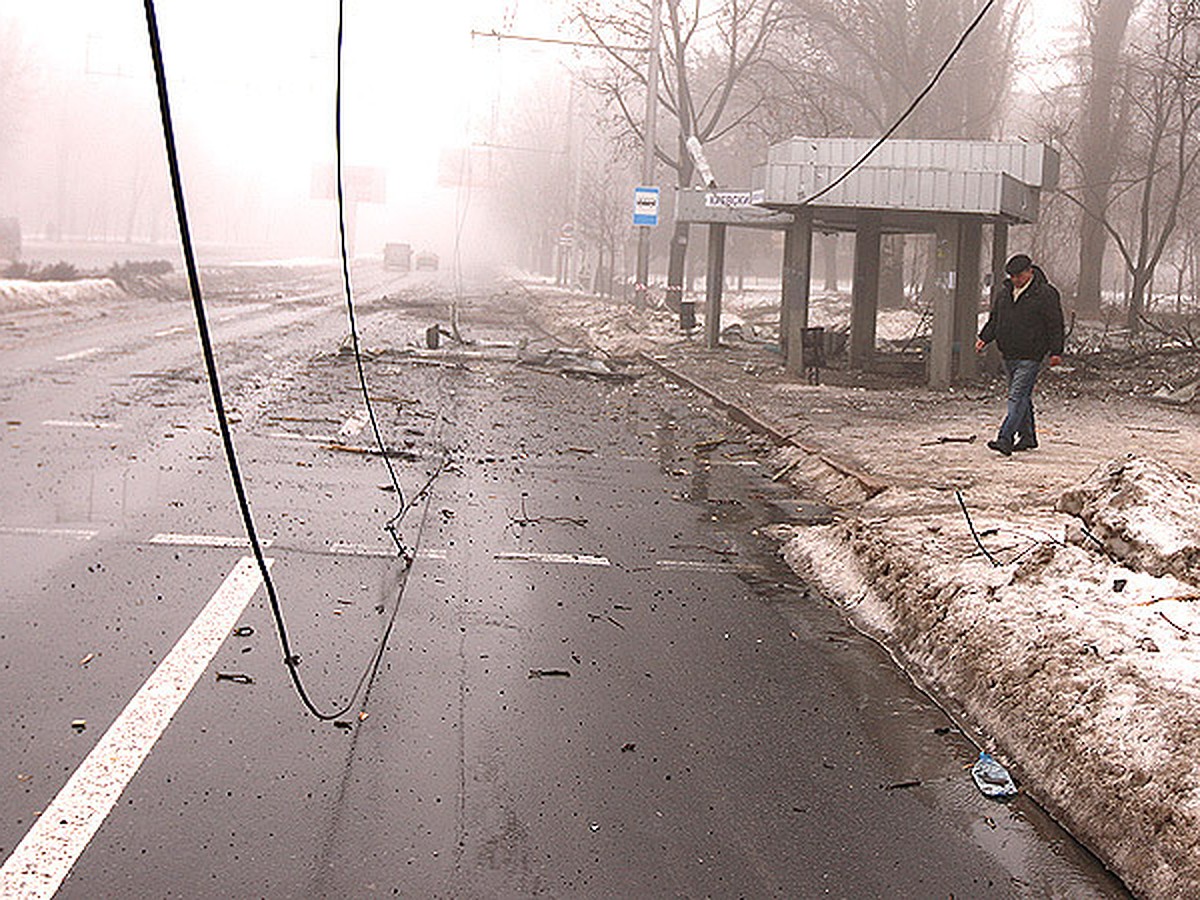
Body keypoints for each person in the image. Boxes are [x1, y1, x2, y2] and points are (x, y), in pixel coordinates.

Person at [975, 253, 1064, 456]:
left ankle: (1005, 438)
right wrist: (984, 337)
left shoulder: (1045, 294)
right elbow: (995, 319)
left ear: (1029, 271)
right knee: (1023, 396)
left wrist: (1055, 351)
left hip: (1032, 354)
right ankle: (1028, 436)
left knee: (1016, 396)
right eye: (1012, 276)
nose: (1016, 279)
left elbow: (1055, 324)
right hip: (1009, 353)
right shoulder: (1005, 294)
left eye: (1019, 275)